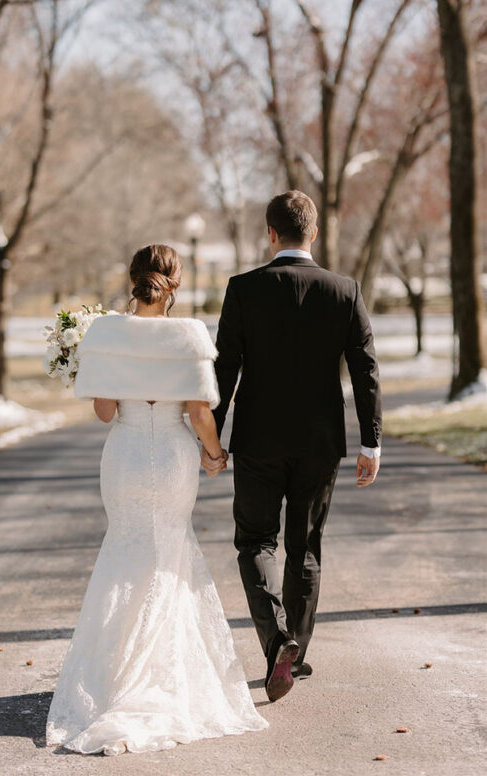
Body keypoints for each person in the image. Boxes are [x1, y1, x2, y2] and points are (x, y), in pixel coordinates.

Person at [45, 244, 268, 756]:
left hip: (123, 455)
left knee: (124, 552)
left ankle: (113, 682)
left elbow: (104, 411)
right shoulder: (188, 334)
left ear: (133, 279)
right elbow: (198, 413)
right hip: (171, 456)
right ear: (176, 282)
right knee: (167, 554)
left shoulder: (104, 332)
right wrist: (215, 455)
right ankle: (160, 675)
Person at [201, 190, 382, 703]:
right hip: (320, 443)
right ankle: (294, 653)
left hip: (258, 440)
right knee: (305, 548)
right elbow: (366, 371)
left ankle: (277, 639)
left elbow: (224, 369)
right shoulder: (343, 290)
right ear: (314, 233)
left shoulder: (243, 289)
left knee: (255, 542)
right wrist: (371, 441)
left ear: (270, 233)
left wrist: (211, 439)